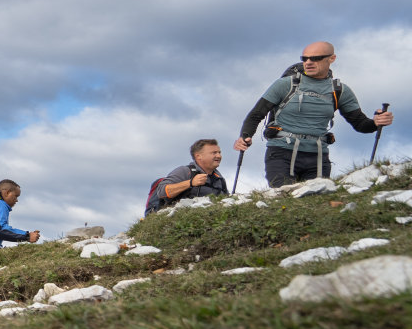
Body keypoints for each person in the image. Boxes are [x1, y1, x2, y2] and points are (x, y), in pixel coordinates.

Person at [234, 42, 393, 186]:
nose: (308, 62)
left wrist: (376, 122)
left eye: (315, 58)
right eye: (305, 58)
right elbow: (256, 114)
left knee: (315, 203)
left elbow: (361, 124)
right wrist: (245, 136)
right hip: (281, 153)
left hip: (318, 157)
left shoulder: (340, 90)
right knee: (283, 199)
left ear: (331, 58)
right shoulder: (285, 84)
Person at [153, 139, 229, 211]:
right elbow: (161, 192)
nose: (219, 156)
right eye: (214, 153)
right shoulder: (185, 171)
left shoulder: (220, 179)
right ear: (198, 156)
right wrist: (190, 183)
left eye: (219, 152)